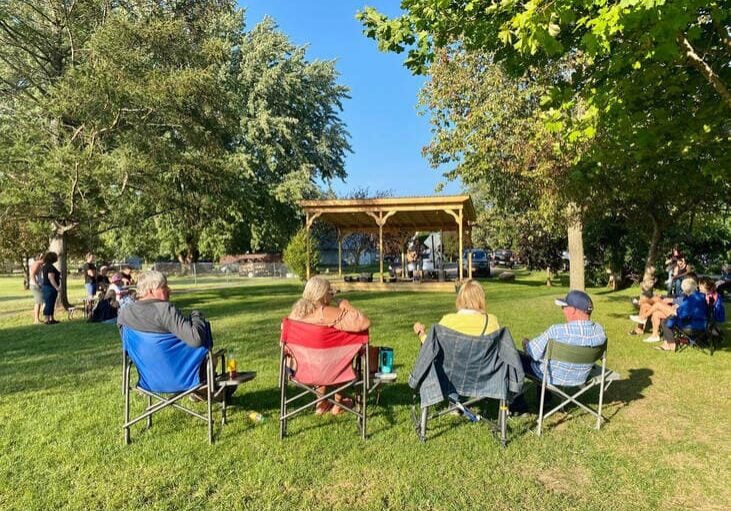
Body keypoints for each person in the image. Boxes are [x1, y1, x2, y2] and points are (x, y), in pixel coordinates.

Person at [510, 290, 607, 414]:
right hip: (581, 376)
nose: (563, 310)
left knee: (514, 356)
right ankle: (545, 400)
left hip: (551, 376)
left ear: (573, 310)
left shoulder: (557, 331)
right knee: (546, 357)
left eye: (564, 306)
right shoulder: (600, 331)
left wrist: (526, 343)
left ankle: (518, 404)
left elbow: (532, 352)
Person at [288, 276, 371, 415]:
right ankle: (338, 404)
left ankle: (321, 404)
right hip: (330, 369)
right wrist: (346, 305)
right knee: (339, 357)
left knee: (319, 357)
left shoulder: (294, 314)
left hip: (298, 368)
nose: (331, 295)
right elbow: (364, 323)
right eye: (329, 292)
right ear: (321, 294)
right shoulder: (326, 312)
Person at [117, 270, 208, 347]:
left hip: (144, 365)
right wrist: (196, 316)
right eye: (164, 286)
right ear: (150, 291)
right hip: (177, 363)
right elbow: (196, 340)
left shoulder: (124, 312)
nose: (169, 290)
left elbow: (127, 346)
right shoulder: (165, 310)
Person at [413, 279, 500, 342]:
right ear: (481, 299)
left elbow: (431, 347)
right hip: (485, 367)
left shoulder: (447, 321)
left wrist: (421, 333)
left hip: (451, 367)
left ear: (460, 298)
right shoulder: (492, 321)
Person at [657, 278, 708, 352]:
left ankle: (671, 345)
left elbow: (680, 314)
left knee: (666, 322)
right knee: (669, 318)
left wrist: (672, 317)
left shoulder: (690, 300)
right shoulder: (700, 296)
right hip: (703, 323)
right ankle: (667, 343)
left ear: (685, 290)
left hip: (693, 326)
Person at [41, 252, 61, 325]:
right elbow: (51, 278)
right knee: (49, 303)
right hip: (49, 287)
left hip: (47, 287)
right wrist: (56, 287)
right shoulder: (50, 267)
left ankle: (51, 318)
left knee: (52, 303)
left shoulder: (45, 266)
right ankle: (46, 319)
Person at [28, 253, 44, 324]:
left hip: (38, 285)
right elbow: (32, 275)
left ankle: (37, 318)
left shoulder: (39, 264)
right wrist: (37, 284)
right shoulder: (36, 264)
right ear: (39, 258)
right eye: (42, 258)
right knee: (38, 302)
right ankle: (36, 319)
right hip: (35, 285)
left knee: (39, 302)